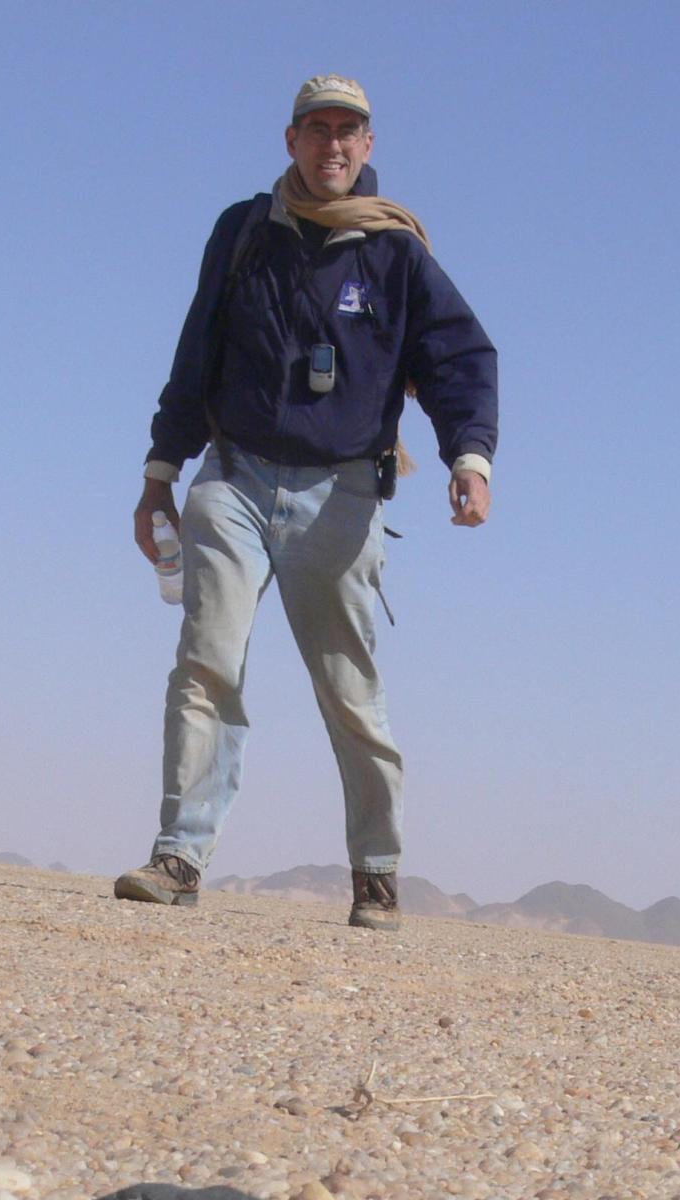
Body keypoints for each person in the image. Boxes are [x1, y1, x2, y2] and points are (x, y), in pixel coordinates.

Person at [115, 74, 498, 931]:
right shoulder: (244, 232)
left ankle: (376, 871)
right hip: (236, 478)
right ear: (290, 141)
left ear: (368, 149)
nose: (332, 145)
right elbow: (196, 350)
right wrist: (158, 473)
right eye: (316, 129)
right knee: (206, 657)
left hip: (343, 494)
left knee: (350, 691)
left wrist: (469, 456)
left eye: (348, 132)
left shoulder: (395, 253)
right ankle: (180, 853)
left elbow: (460, 357)